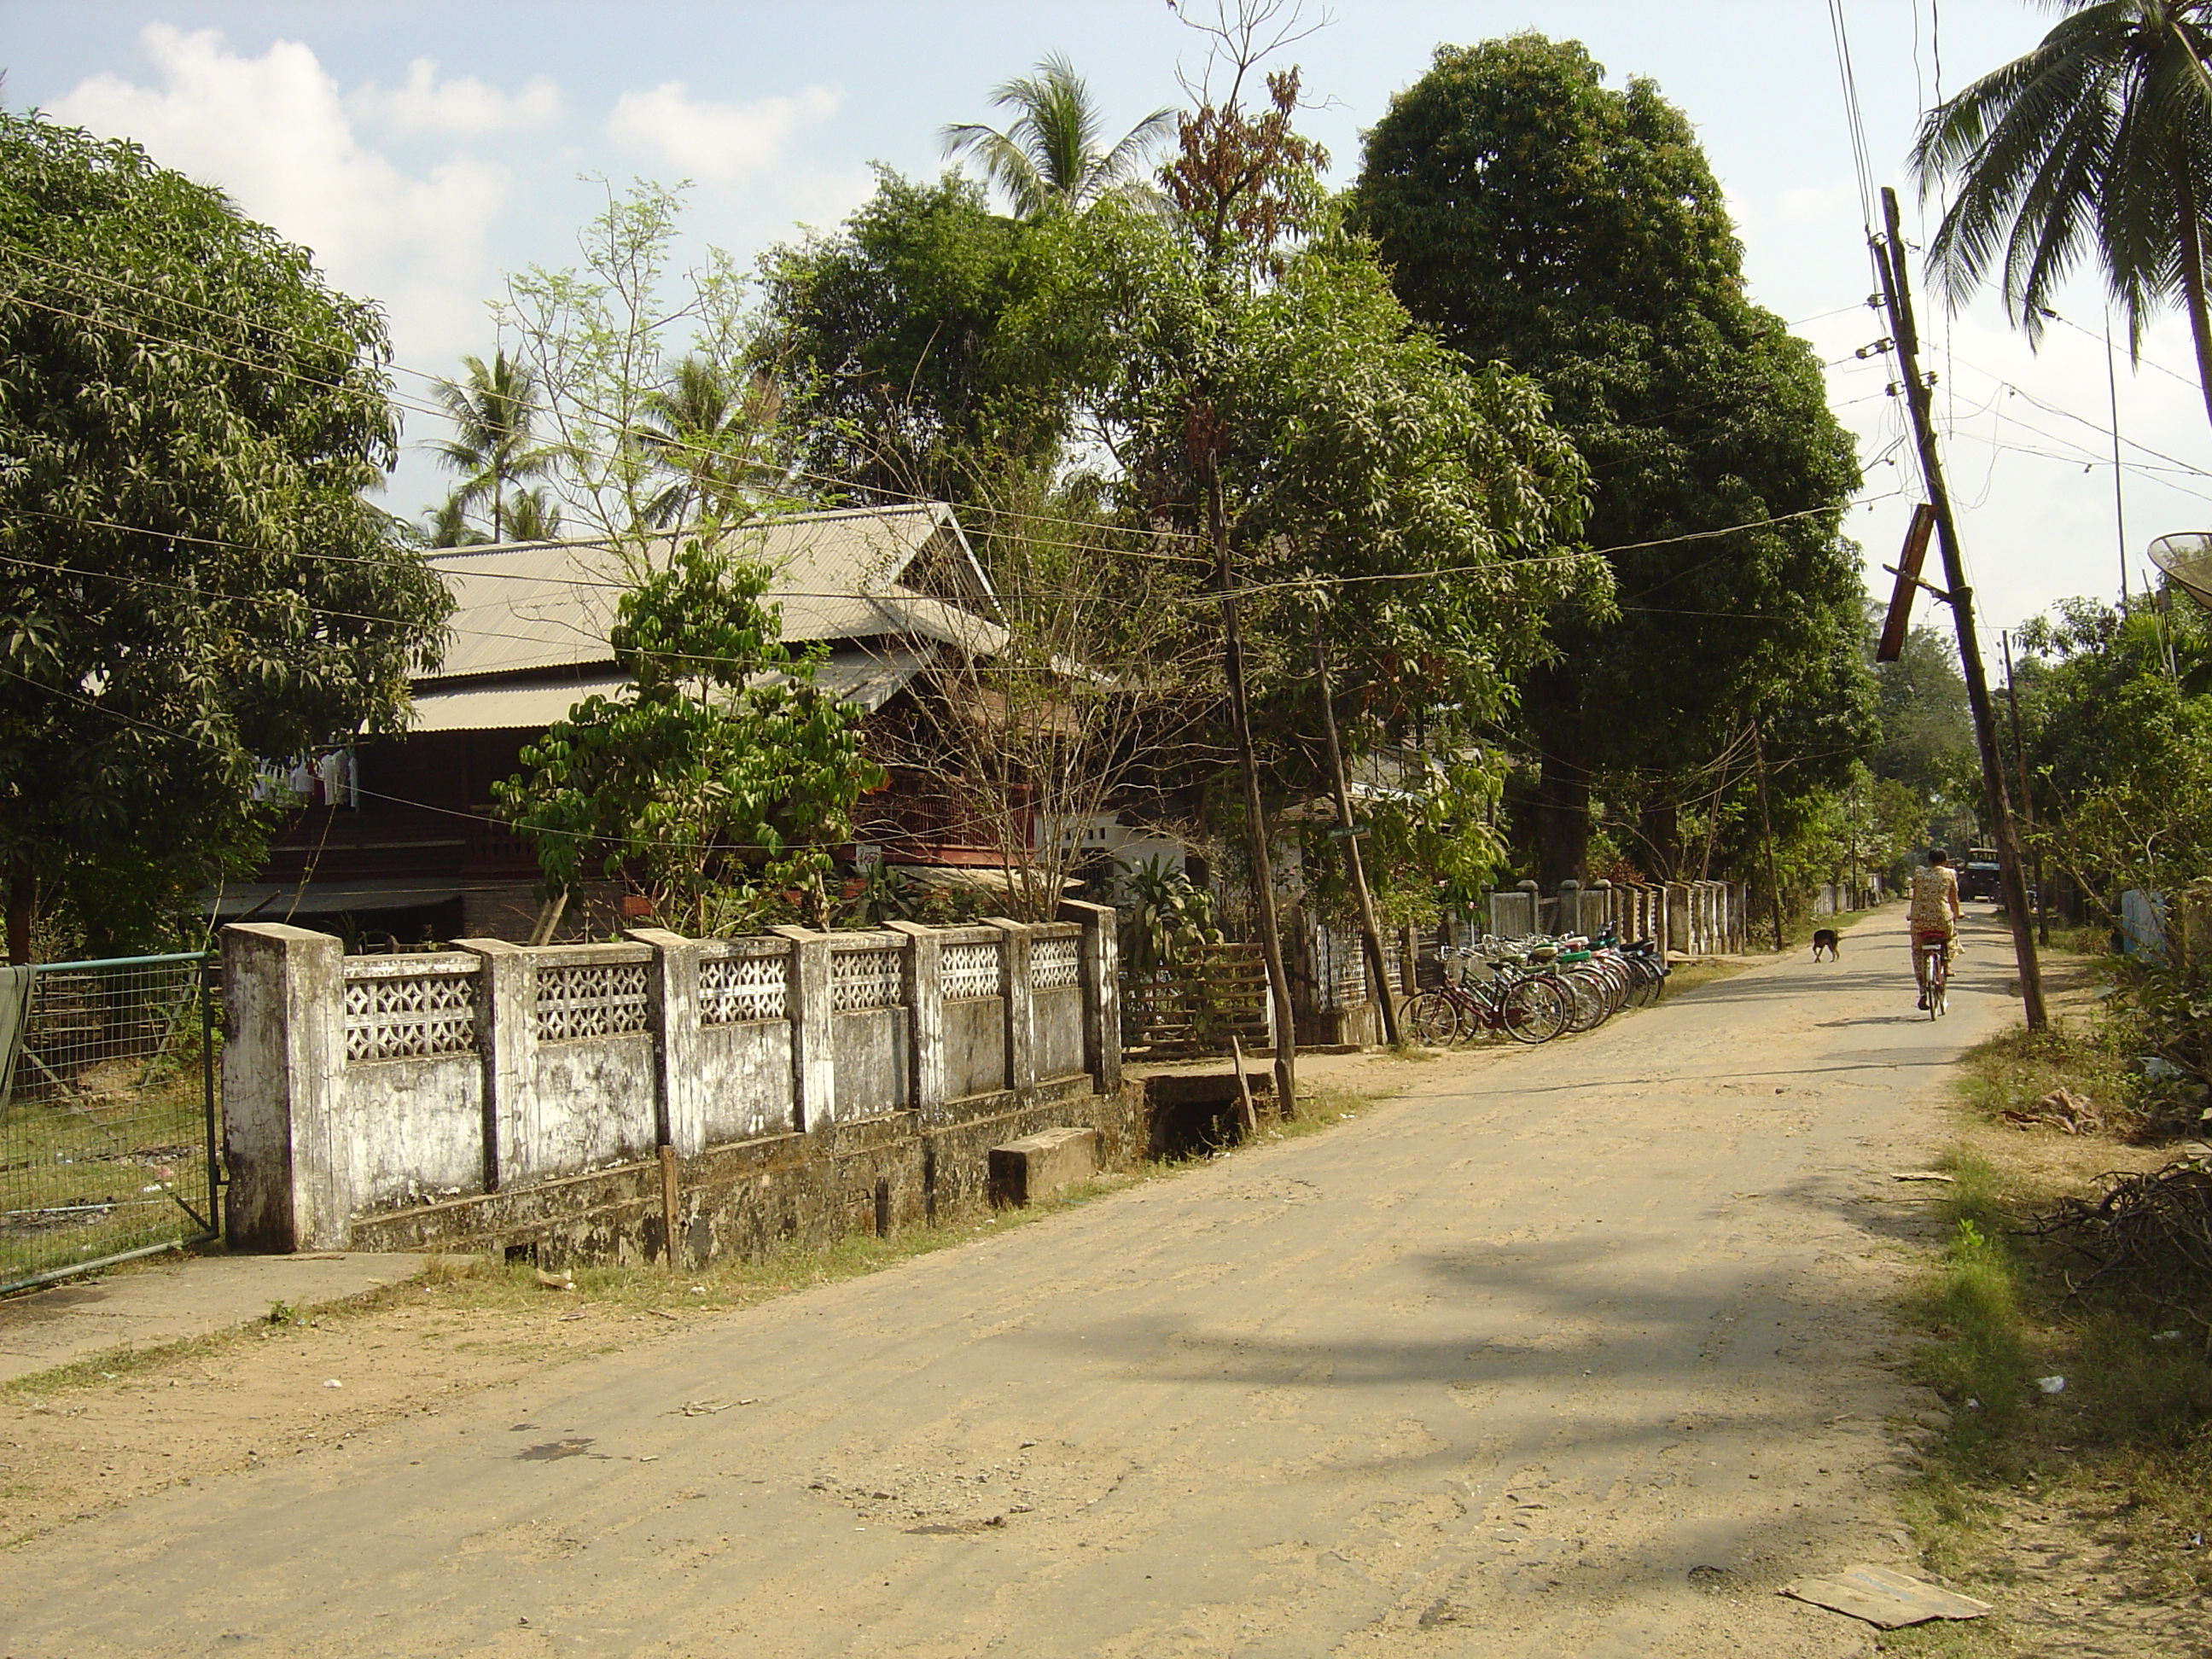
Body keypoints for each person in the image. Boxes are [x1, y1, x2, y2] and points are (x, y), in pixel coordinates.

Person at [1907, 847, 1963, 1008]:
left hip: (1919, 921)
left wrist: (1913, 914)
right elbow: (1953, 899)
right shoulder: (1950, 874)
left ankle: (1923, 991)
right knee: (1951, 936)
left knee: (1918, 951)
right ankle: (1947, 963)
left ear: (1929, 861)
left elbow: (1916, 898)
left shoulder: (1919, 874)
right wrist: (1957, 914)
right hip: (1942, 918)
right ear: (1945, 862)